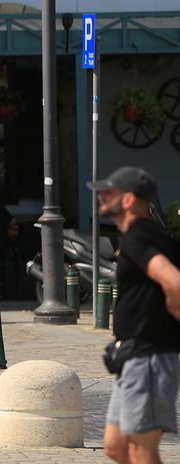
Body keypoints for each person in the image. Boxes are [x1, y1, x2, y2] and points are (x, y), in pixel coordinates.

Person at [93, 166, 180, 464]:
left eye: (108, 192)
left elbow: (174, 281)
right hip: (133, 357)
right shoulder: (141, 235)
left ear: (128, 199)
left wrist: (174, 312)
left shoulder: (140, 236)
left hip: (150, 359)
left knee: (143, 451)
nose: (100, 196)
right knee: (115, 446)